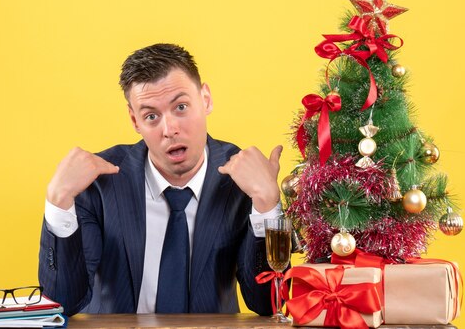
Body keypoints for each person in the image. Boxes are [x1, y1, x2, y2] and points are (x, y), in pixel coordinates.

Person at [38, 43, 283, 316]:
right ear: (134, 120)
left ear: (206, 100)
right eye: (151, 116)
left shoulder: (243, 180)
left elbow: (269, 304)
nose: (170, 130)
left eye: (181, 107)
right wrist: (58, 201)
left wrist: (266, 206)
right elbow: (64, 303)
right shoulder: (98, 182)